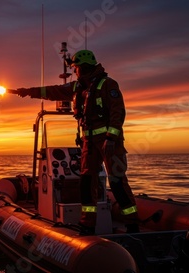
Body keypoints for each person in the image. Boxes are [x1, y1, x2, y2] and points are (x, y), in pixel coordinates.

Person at [9, 50, 139, 235]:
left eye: (76, 67)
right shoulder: (78, 87)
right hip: (89, 143)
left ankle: (133, 226)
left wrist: (110, 138)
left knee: (117, 182)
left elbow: (118, 113)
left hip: (109, 143)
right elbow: (53, 91)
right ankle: (88, 225)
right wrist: (27, 92)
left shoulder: (108, 84)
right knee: (86, 183)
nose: (75, 70)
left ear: (83, 66)